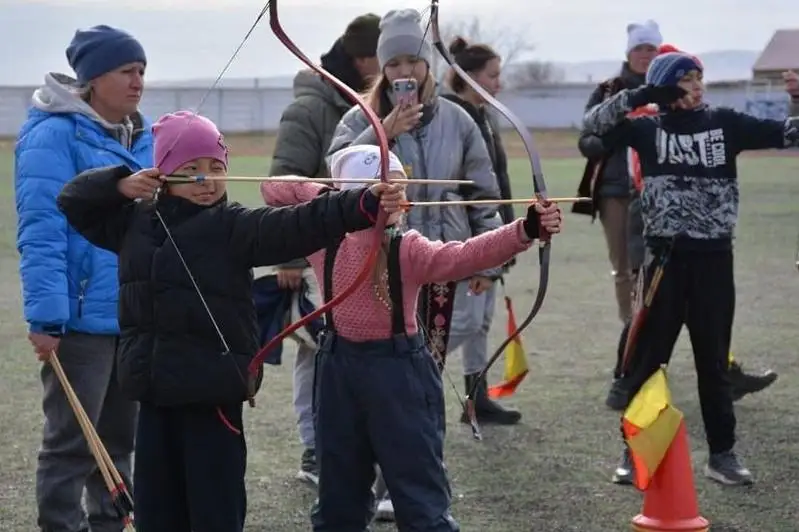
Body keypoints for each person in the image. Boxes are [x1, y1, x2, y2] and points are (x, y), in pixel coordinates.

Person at [55, 110, 406, 531]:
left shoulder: (233, 226)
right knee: (156, 510)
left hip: (212, 398)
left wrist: (363, 203)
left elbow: (298, 224)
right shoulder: (133, 223)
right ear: (162, 174)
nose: (208, 179)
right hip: (154, 396)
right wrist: (119, 183)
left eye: (216, 168)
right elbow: (73, 201)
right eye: (192, 169)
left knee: (214, 510)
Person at [260, 144, 563, 531]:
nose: (397, 198)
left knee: (419, 497)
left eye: (400, 188)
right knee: (338, 497)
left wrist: (526, 229)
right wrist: (339, 199)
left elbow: (466, 254)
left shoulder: (408, 248)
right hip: (338, 372)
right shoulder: (325, 237)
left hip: (399, 375)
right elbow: (272, 188)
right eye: (384, 189)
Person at [582, 51, 799, 486]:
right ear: (666, 89)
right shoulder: (646, 128)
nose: (697, 86)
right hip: (664, 262)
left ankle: (723, 455)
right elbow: (592, 127)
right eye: (686, 80)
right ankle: (634, 452)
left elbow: (789, 133)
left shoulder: (726, 122)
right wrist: (642, 94)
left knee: (713, 363)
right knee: (647, 361)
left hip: (715, 261)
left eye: (700, 78)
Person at [15, 24, 149, 532]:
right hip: (78, 320)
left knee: (119, 442)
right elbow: (43, 231)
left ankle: (110, 526)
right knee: (71, 444)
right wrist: (47, 317)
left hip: (130, 315)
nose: (138, 82)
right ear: (92, 78)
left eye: (142, 71)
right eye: (126, 71)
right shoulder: (51, 135)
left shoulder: (144, 133)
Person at [261, 13, 382, 486]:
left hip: (361, 248)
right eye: (380, 58)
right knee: (315, 354)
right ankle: (314, 449)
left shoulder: (367, 103)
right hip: (314, 252)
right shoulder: (309, 110)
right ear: (360, 59)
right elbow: (283, 177)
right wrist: (290, 258)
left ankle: (355, 444)